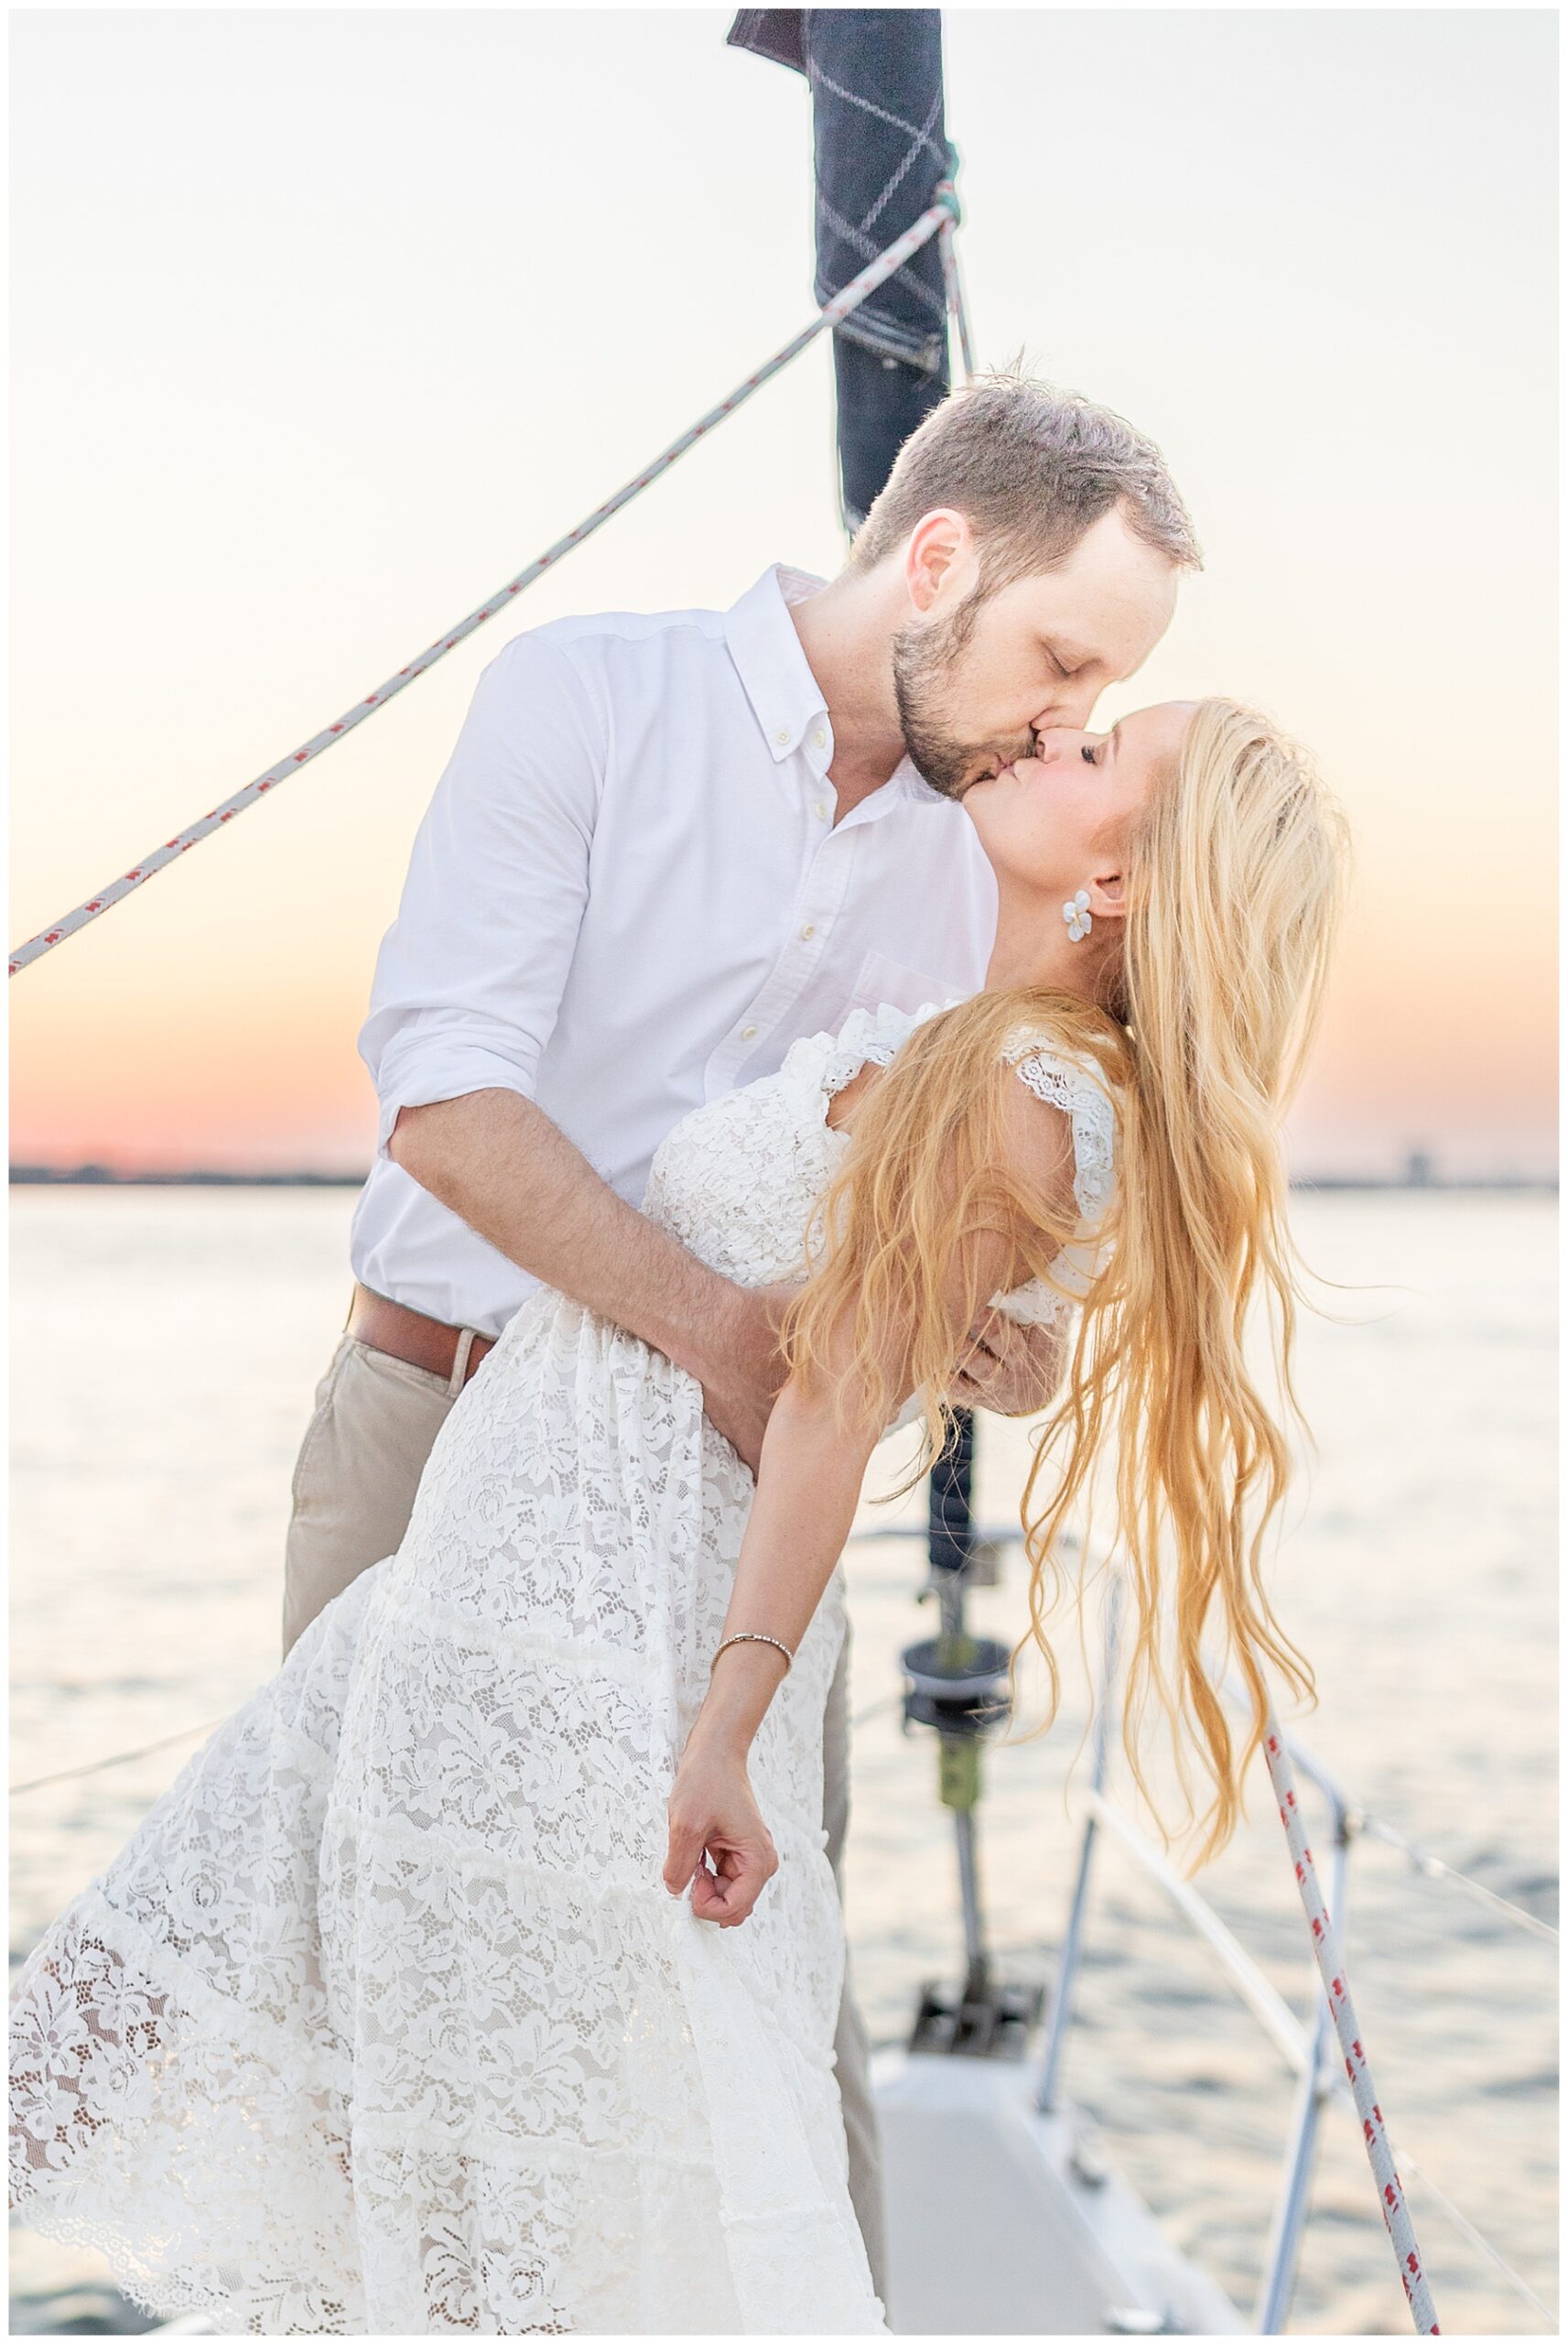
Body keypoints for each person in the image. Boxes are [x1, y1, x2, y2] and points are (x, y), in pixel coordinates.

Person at [10, 693, 1348, 2334]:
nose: (1051, 735)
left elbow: (833, 1399)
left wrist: (724, 1720)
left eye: (1096, 752)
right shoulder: (981, 1047)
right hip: (498, 1586)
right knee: (214, 2059)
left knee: (307, 2105)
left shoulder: (1022, 1087)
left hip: (598, 1630)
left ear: (1126, 879)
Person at [277, 370, 1200, 2284]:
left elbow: (932, 1239)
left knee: (770, 2015)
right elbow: (446, 1098)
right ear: (932, 556)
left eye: (1100, 696)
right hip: (434, 1419)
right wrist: (721, 1329)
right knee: (376, 1994)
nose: (1065, 719)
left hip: (729, 1512)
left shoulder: (995, 855)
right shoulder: (589, 696)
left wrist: (989, 1338)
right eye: (1055, 656)